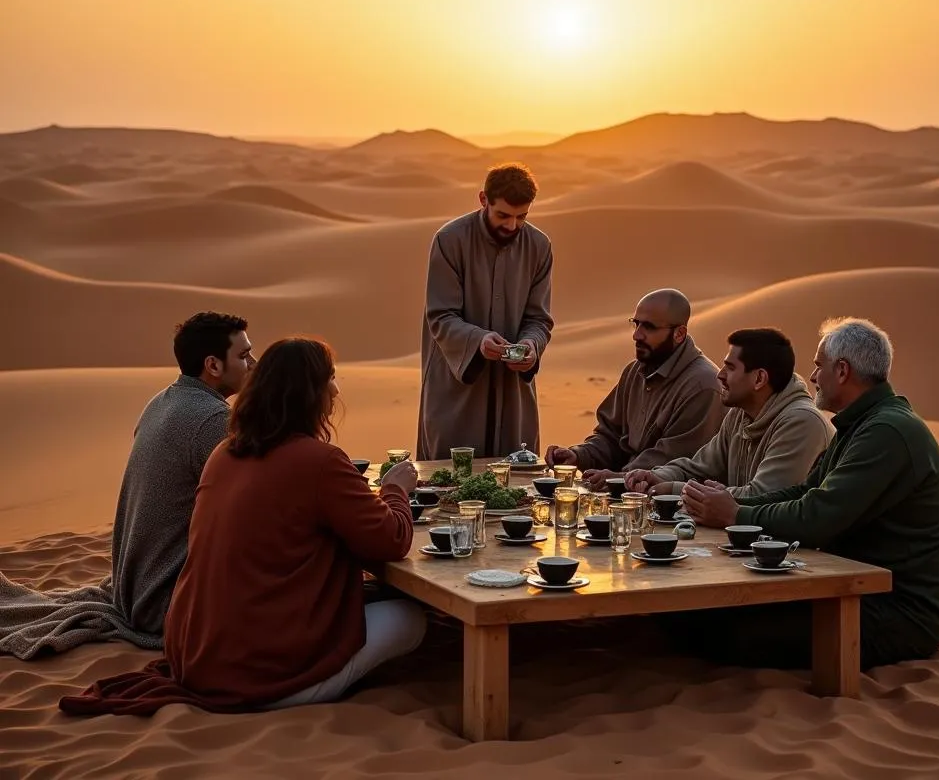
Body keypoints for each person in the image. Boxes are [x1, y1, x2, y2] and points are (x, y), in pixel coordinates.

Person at [60, 337, 425, 717]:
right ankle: (322, 681)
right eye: (329, 379)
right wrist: (395, 489)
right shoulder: (321, 461)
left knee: (367, 597)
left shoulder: (224, 453)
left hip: (197, 656)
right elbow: (392, 540)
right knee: (412, 619)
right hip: (262, 677)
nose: (335, 389)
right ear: (309, 393)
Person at [678, 318, 939, 670]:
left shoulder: (887, 431)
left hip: (897, 610)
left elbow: (818, 516)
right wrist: (735, 505)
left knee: (724, 632)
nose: (811, 378)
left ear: (842, 371)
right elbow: (807, 490)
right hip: (850, 587)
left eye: (817, 366)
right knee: (704, 614)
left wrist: (736, 515)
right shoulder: (860, 424)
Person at [111, 311, 255, 635]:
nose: (254, 364)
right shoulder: (213, 420)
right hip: (167, 603)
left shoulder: (160, 402)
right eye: (244, 355)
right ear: (213, 366)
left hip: (134, 592)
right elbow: (253, 505)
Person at [416, 163, 554, 460]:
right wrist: (478, 341)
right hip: (458, 387)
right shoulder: (450, 240)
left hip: (512, 392)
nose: (512, 226)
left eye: (522, 217)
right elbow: (440, 316)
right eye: (503, 215)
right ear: (483, 200)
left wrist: (531, 346)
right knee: (449, 484)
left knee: (516, 485)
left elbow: (539, 319)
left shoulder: (539, 246)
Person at [544, 289, 722, 491]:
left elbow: (675, 461)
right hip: (627, 494)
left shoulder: (702, 386)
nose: (636, 335)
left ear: (679, 334)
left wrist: (619, 479)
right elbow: (610, 436)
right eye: (636, 324)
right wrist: (579, 455)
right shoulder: (634, 371)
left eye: (649, 327)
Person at [624, 328, 830, 498]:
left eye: (730, 368)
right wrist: (659, 477)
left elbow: (763, 496)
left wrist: (676, 490)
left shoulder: (802, 422)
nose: (720, 375)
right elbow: (697, 468)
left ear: (759, 379)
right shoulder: (739, 415)